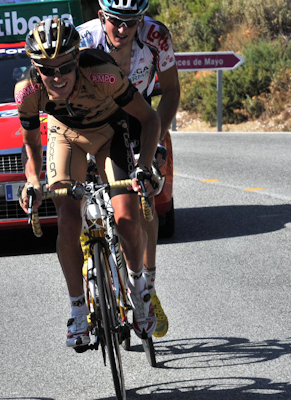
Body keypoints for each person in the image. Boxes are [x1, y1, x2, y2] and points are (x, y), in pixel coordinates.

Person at [15, 17, 161, 348]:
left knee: (125, 217)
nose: (57, 77)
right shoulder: (28, 92)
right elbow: (30, 142)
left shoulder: (103, 74)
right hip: (65, 136)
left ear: (77, 59)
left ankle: (139, 289)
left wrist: (146, 165)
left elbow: (149, 118)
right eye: (46, 69)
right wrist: (32, 181)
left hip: (110, 133)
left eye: (65, 67)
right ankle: (78, 311)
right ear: (34, 67)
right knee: (67, 220)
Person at [78, 0, 180, 338]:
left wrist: (156, 145)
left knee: (143, 193)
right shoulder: (83, 41)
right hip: (90, 122)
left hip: (139, 115)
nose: (123, 30)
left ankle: (146, 287)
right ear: (101, 16)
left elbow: (171, 92)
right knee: (79, 192)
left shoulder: (156, 37)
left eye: (131, 22)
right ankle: (91, 254)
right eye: (115, 22)